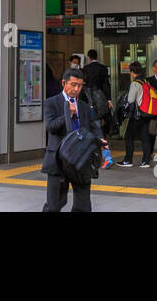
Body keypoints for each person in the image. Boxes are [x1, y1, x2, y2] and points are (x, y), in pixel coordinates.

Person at [42, 67, 106, 211]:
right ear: (64, 83)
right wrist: (68, 114)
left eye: (80, 85)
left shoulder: (84, 106)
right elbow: (51, 127)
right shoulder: (51, 103)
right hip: (58, 160)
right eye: (73, 84)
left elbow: (94, 125)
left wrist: (100, 139)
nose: (76, 89)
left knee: (83, 204)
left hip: (81, 160)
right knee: (54, 204)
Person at [118, 61, 154, 168]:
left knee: (129, 136)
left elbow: (131, 99)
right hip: (147, 114)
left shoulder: (135, 83)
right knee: (145, 137)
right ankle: (145, 161)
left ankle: (128, 160)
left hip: (137, 115)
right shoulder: (147, 81)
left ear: (132, 72)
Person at [82, 49, 113, 135]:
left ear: (89, 57)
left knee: (90, 117)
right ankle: (101, 137)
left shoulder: (86, 68)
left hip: (88, 97)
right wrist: (109, 99)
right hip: (101, 97)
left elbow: (84, 83)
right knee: (101, 117)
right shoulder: (103, 68)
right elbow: (106, 84)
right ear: (97, 57)